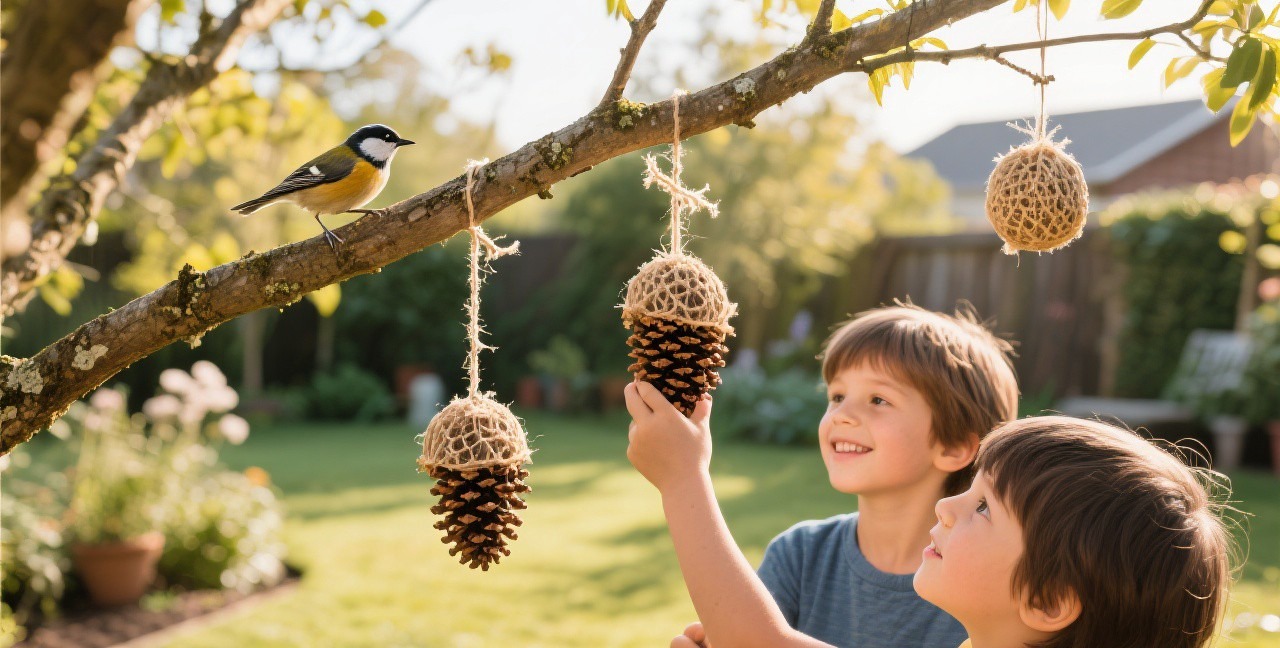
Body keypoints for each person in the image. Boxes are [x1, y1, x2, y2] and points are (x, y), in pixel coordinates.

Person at [627, 303, 1018, 647]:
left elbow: (756, 643)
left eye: (878, 400)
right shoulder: (799, 554)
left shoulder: (978, 589)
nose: (842, 414)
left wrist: (683, 478)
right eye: (836, 396)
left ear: (951, 446)